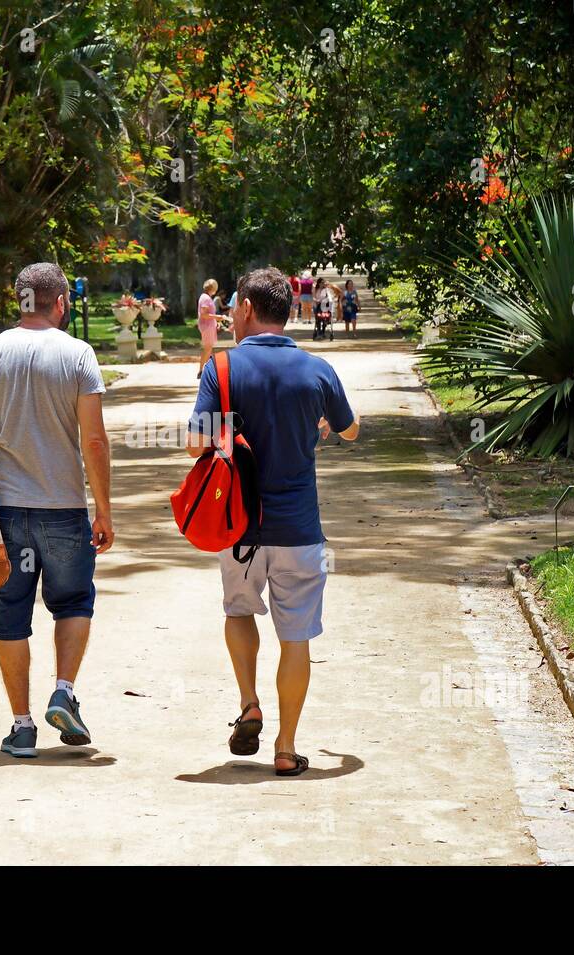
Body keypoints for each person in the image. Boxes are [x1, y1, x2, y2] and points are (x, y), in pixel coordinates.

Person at [186, 267, 360, 776]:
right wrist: (323, 423)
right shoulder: (317, 370)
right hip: (299, 530)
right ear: (289, 311)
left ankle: (248, 703)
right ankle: (286, 748)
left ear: (244, 310)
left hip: (238, 526)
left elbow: (198, 442)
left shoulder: (222, 369)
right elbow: (350, 432)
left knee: (239, 612)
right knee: (296, 638)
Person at [0, 262, 115, 759]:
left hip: (3, 515)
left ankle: (21, 729)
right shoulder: (78, 354)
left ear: (19, 300)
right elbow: (94, 441)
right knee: (74, 601)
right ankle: (62, 692)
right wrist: (103, 509)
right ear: (60, 302)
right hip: (63, 510)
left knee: (10, 615)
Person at [197, 277, 220, 377]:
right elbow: (204, 314)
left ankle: (206, 370)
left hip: (209, 325)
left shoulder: (205, 297)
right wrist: (217, 317)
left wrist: (215, 321)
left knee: (209, 348)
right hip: (207, 326)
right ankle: (201, 370)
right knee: (207, 348)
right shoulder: (205, 298)